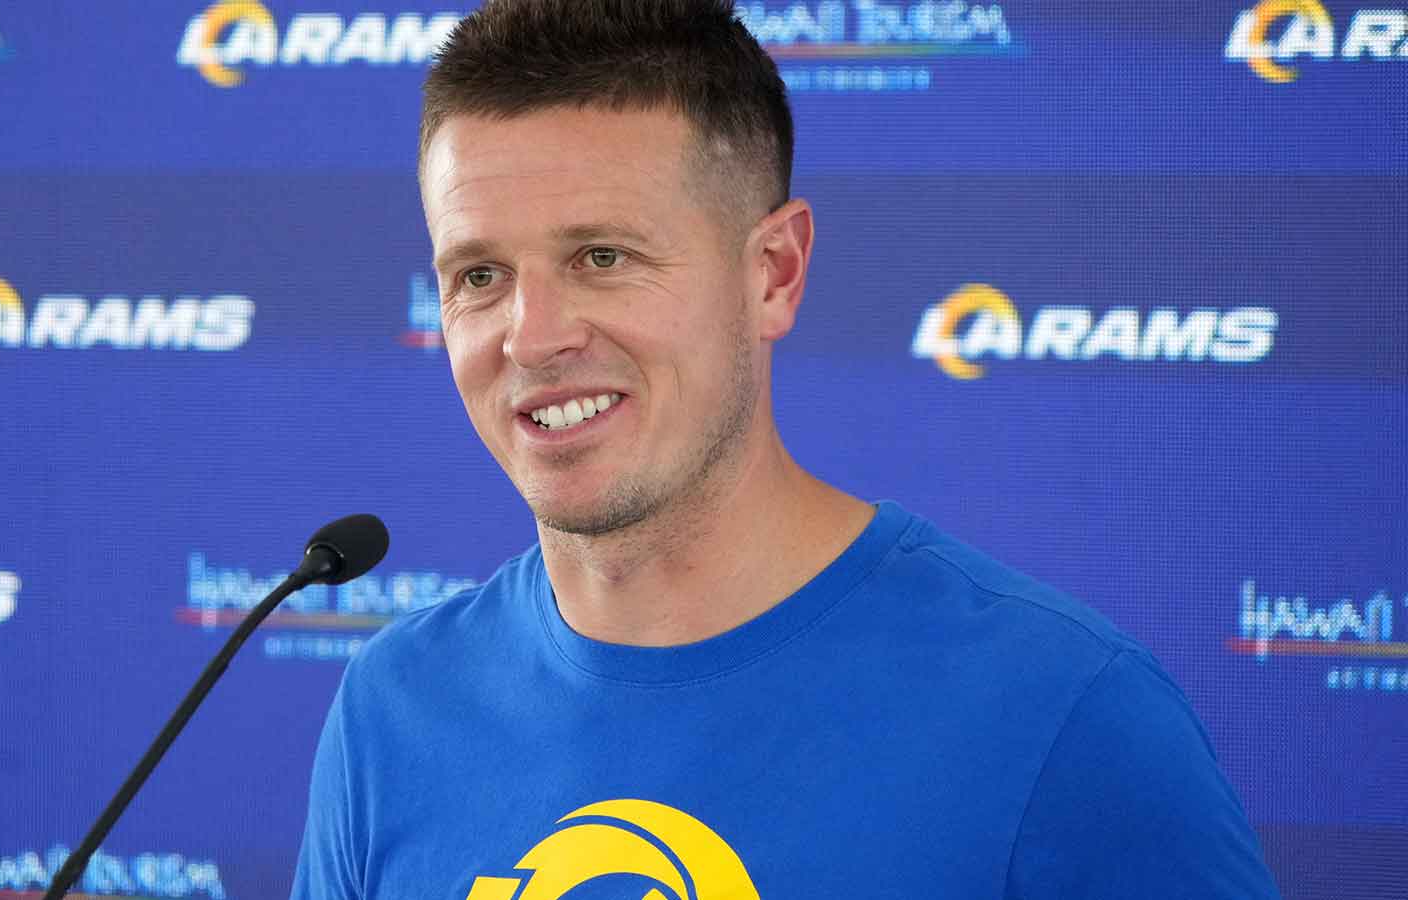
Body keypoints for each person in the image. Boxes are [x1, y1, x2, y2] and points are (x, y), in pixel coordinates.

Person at [291, 1, 1281, 897]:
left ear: (773, 272)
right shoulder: (393, 706)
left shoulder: (1066, 716)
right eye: (478, 275)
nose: (531, 336)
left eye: (602, 257)